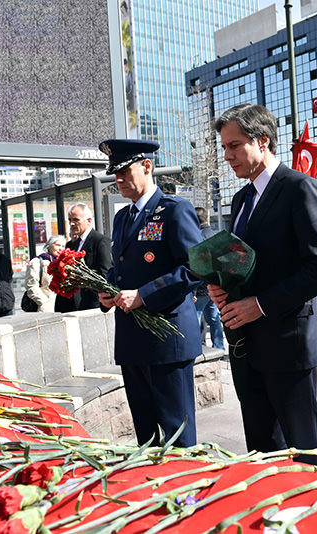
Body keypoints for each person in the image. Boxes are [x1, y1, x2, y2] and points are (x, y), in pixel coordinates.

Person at [208, 104, 317, 467]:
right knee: (262, 450)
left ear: (263, 141)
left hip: (287, 344)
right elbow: (242, 261)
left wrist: (258, 304)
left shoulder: (299, 189)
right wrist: (222, 287)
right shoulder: (242, 198)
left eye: (234, 146)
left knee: (302, 450)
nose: (227, 156)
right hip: (247, 345)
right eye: (224, 148)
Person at [97, 138, 202, 447]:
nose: (118, 180)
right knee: (147, 438)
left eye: (124, 171)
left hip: (167, 341)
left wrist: (143, 295)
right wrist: (107, 289)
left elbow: (195, 268)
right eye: (114, 174)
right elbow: (121, 269)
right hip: (133, 340)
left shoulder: (174, 210)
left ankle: (186, 495)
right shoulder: (122, 217)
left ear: (147, 166)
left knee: (177, 439)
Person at [55, 204, 111, 312]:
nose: (71, 224)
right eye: (70, 219)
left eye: (76, 220)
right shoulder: (73, 244)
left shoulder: (100, 241)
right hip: (72, 304)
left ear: (89, 221)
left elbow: (106, 273)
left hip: (91, 305)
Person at [194, 206, 225, 351]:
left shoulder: (196, 238)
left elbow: (196, 267)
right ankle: (219, 347)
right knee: (214, 318)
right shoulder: (216, 235)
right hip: (216, 285)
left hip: (200, 286)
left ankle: (199, 348)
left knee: (196, 318)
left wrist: (192, 291)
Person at [24, 235, 66, 312]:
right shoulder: (37, 262)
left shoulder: (63, 264)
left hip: (63, 308)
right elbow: (31, 286)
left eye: (63, 246)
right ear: (49, 246)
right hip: (46, 310)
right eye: (57, 245)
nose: (61, 248)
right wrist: (44, 303)